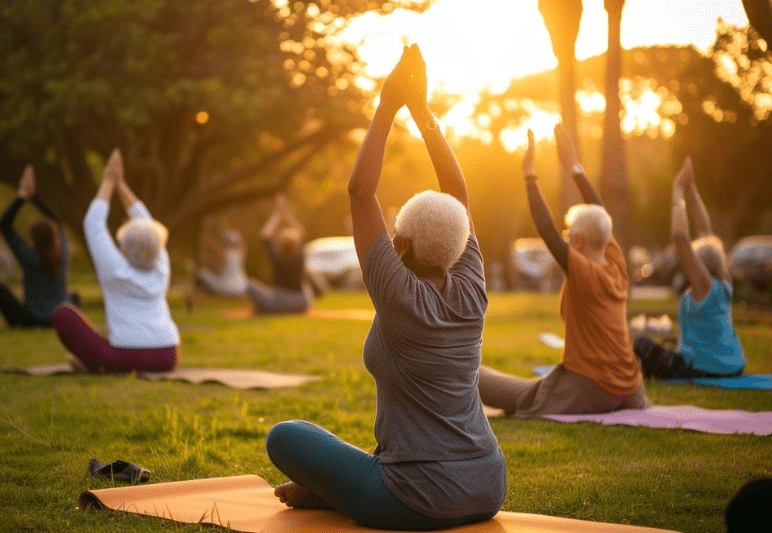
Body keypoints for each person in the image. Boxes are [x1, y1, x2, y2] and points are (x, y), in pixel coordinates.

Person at [265, 45, 506, 531]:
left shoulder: (397, 293)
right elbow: (457, 195)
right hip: (488, 485)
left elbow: (360, 191)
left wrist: (387, 104)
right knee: (340, 456)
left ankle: (335, 492)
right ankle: (328, 492)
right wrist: (421, 110)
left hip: (415, 500)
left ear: (401, 244)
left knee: (286, 437)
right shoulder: (472, 287)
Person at [477, 125, 649, 417]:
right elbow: (599, 211)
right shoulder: (616, 262)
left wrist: (530, 174)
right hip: (631, 390)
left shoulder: (585, 272)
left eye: (570, 234)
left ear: (579, 241)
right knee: (531, 385)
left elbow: (546, 229)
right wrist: (574, 167)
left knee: (469, 371)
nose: (566, 237)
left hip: (590, 389)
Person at [52, 149, 180, 373]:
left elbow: (93, 223)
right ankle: (90, 362)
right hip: (167, 355)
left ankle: (88, 363)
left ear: (124, 250)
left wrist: (109, 181)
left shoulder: (115, 270)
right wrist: (121, 184)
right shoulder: (162, 267)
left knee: (63, 314)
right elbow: (147, 225)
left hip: (123, 357)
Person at [633, 157, 745, 379]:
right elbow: (705, 232)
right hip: (731, 365)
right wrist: (692, 190)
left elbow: (680, 237)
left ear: (700, 266)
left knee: (641, 343)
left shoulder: (705, 287)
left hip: (704, 368)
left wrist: (677, 191)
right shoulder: (724, 285)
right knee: (662, 345)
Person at [0, 165, 71, 328]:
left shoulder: (29, 257)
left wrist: (22, 197)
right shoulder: (61, 253)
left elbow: (4, 225)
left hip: (30, 319)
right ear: (53, 237)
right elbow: (56, 220)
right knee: (73, 298)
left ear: (33, 239)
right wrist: (35, 197)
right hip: (59, 319)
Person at [246, 193, 310, 314]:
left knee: (250, 285)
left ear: (280, 245)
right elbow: (302, 233)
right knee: (306, 283)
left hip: (279, 302)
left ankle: (264, 309)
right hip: (301, 302)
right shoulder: (300, 259)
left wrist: (277, 213)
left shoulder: (277, 259)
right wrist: (286, 214)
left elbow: (265, 236)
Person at [195, 217, 249, 297]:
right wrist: (238, 220)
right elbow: (242, 239)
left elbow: (208, 239)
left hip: (226, 288)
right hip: (242, 287)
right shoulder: (241, 253)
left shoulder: (224, 253)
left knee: (201, 271)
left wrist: (206, 225)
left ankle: (202, 293)